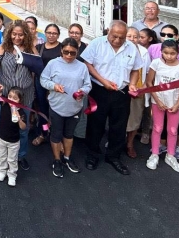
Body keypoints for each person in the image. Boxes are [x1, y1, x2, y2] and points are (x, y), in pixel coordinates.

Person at [81, 20, 143, 175]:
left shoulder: (131, 48)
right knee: (96, 125)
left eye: (121, 37)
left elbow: (136, 69)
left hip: (121, 93)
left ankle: (113, 156)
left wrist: (133, 84)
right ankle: (92, 155)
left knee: (119, 126)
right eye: (114, 36)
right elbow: (87, 64)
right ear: (108, 32)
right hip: (99, 90)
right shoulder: (97, 43)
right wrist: (103, 81)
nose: (117, 40)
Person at [40, 38, 91, 178]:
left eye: (72, 53)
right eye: (66, 52)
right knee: (56, 135)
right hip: (57, 106)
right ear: (61, 50)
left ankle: (67, 158)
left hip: (75, 107)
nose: (69, 56)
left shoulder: (82, 66)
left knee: (69, 134)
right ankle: (57, 160)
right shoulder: (53, 64)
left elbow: (88, 85)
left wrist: (83, 92)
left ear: (77, 53)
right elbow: (43, 80)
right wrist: (54, 86)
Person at [0, 20, 37, 171]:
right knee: (0, 124)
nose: (17, 37)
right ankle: (0, 154)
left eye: (21, 35)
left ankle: (20, 155)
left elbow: (39, 66)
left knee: (23, 127)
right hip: (5, 95)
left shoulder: (30, 49)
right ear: (9, 34)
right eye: (14, 34)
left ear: (26, 35)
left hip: (25, 95)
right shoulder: (4, 47)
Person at [148, 24, 179, 159]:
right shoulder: (153, 49)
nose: (165, 37)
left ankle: (177, 148)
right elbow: (149, 75)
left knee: (177, 123)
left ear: (176, 37)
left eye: (169, 35)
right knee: (158, 125)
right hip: (159, 95)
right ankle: (159, 147)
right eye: (163, 34)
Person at [145, 40, 179, 174]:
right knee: (158, 128)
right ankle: (154, 155)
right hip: (158, 101)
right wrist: (157, 101)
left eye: (172, 53)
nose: (169, 56)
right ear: (161, 52)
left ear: (178, 53)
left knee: (173, 130)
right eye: (166, 53)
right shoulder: (156, 63)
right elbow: (149, 82)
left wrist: (177, 104)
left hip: (174, 103)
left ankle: (170, 156)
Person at [33, 24, 61, 147]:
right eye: (48, 33)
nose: (51, 35)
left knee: (56, 111)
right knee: (42, 110)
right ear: (44, 33)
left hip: (57, 85)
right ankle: (43, 134)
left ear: (58, 35)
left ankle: (57, 137)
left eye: (54, 33)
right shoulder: (39, 47)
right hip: (41, 83)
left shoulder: (62, 48)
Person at [125, 27, 152, 159]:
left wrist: (144, 87)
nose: (132, 39)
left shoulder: (143, 52)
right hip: (121, 89)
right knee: (119, 117)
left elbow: (147, 71)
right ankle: (117, 141)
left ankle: (130, 144)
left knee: (135, 119)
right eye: (129, 36)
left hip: (138, 90)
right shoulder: (119, 49)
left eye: (135, 37)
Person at [0, 87, 27, 187]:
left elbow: (23, 127)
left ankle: (12, 175)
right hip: (1, 137)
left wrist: (19, 120)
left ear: (20, 100)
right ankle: (2, 171)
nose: (11, 100)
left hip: (13, 141)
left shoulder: (21, 112)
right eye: (9, 96)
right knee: (2, 156)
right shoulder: (4, 104)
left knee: (12, 159)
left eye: (15, 98)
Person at [136, 28, 159, 146]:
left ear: (150, 39)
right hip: (134, 85)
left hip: (146, 84)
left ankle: (145, 132)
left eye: (142, 37)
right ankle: (135, 129)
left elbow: (148, 71)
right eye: (137, 37)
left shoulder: (150, 51)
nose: (139, 39)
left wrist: (145, 86)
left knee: (146, 109)